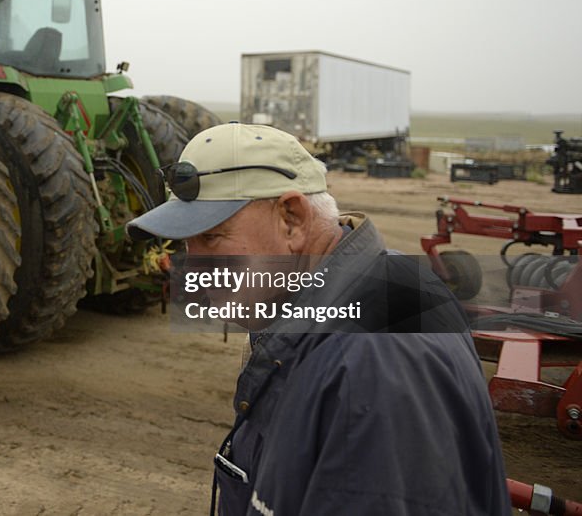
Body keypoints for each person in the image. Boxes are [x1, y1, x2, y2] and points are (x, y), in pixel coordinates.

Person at [127, 123, 509, 516]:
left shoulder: (373, 367)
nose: (196, 270)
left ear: (291, 218)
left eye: (212, 238)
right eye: (189, 244)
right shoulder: (353, 296)